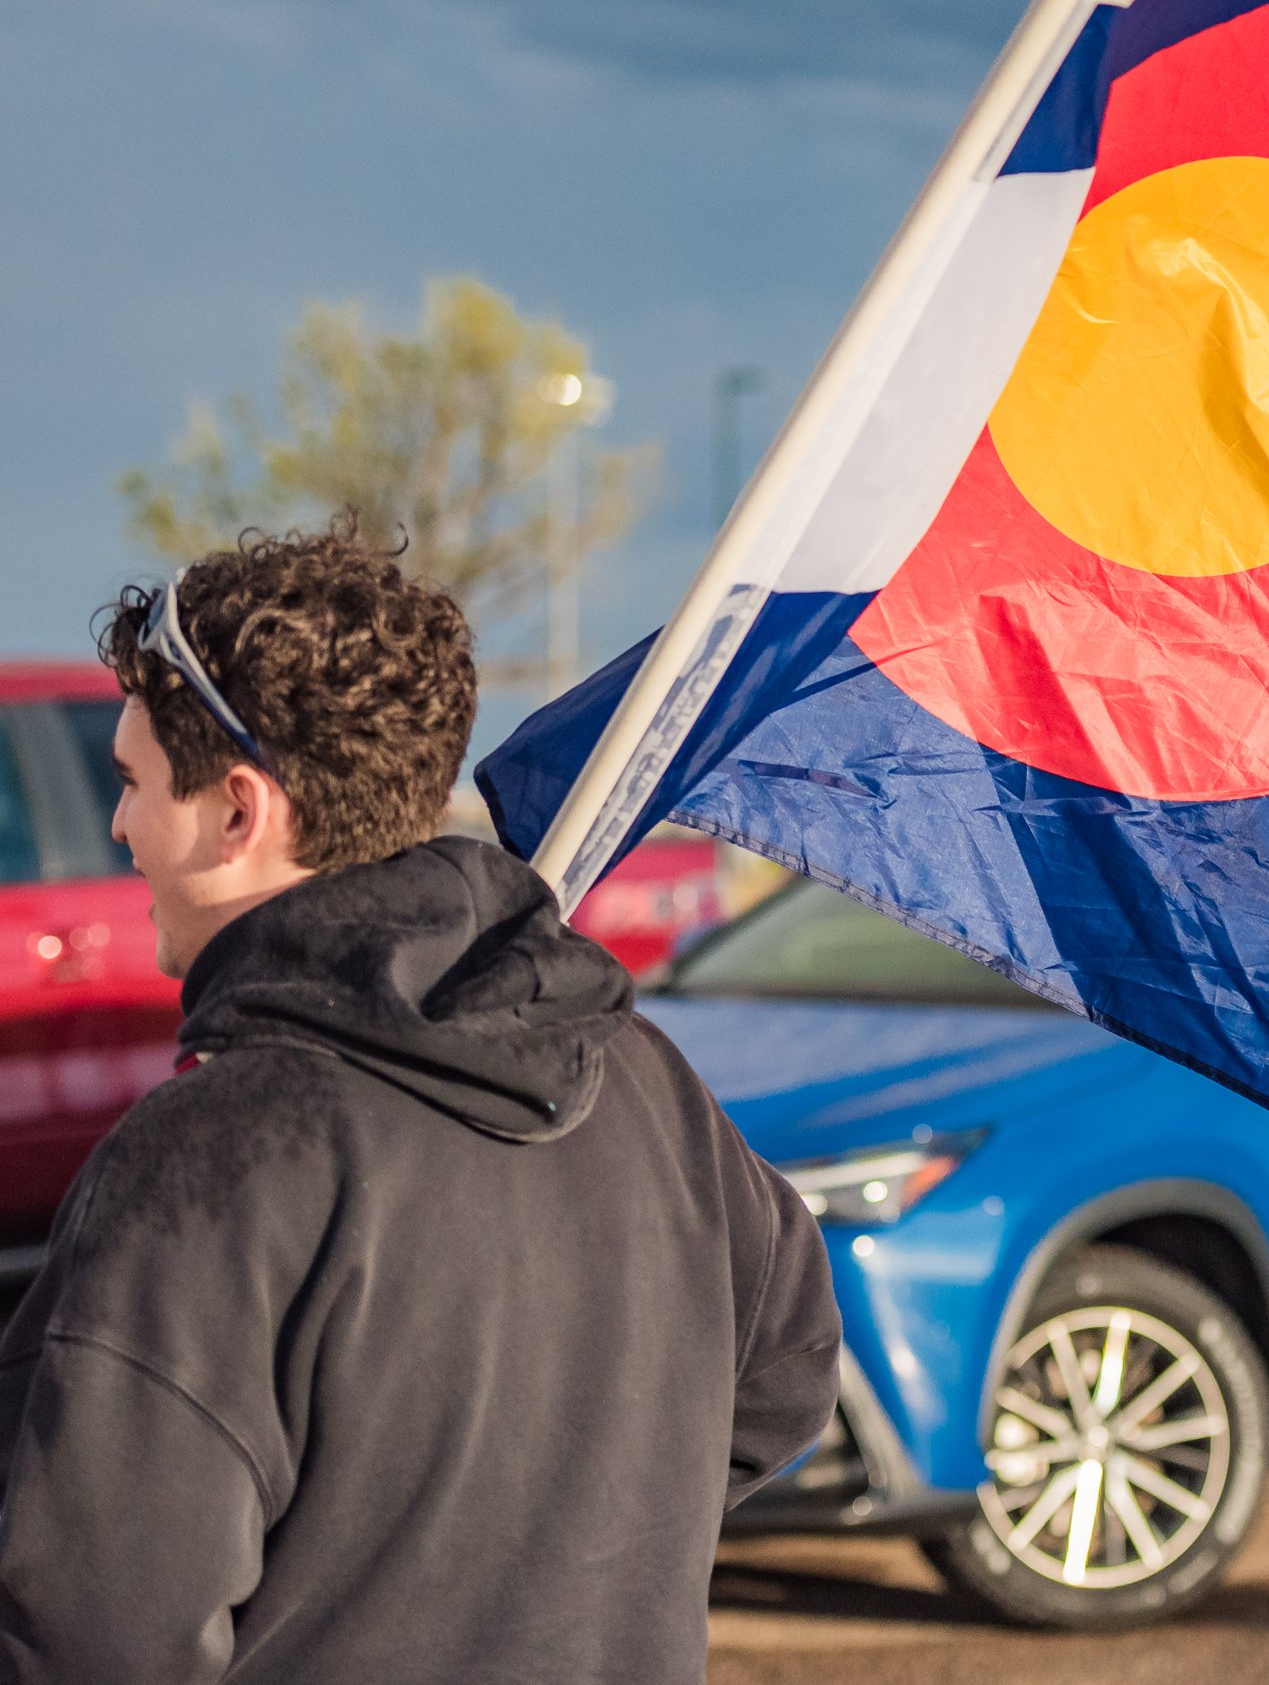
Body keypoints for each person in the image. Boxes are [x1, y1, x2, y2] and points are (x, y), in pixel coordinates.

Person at [0, 531, 842, 1682]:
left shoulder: (211, 1156)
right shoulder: (647, 1079)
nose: (119, 827)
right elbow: (788, 1374)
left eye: (135, 781)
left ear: (240, 810)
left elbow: (90, 1624)